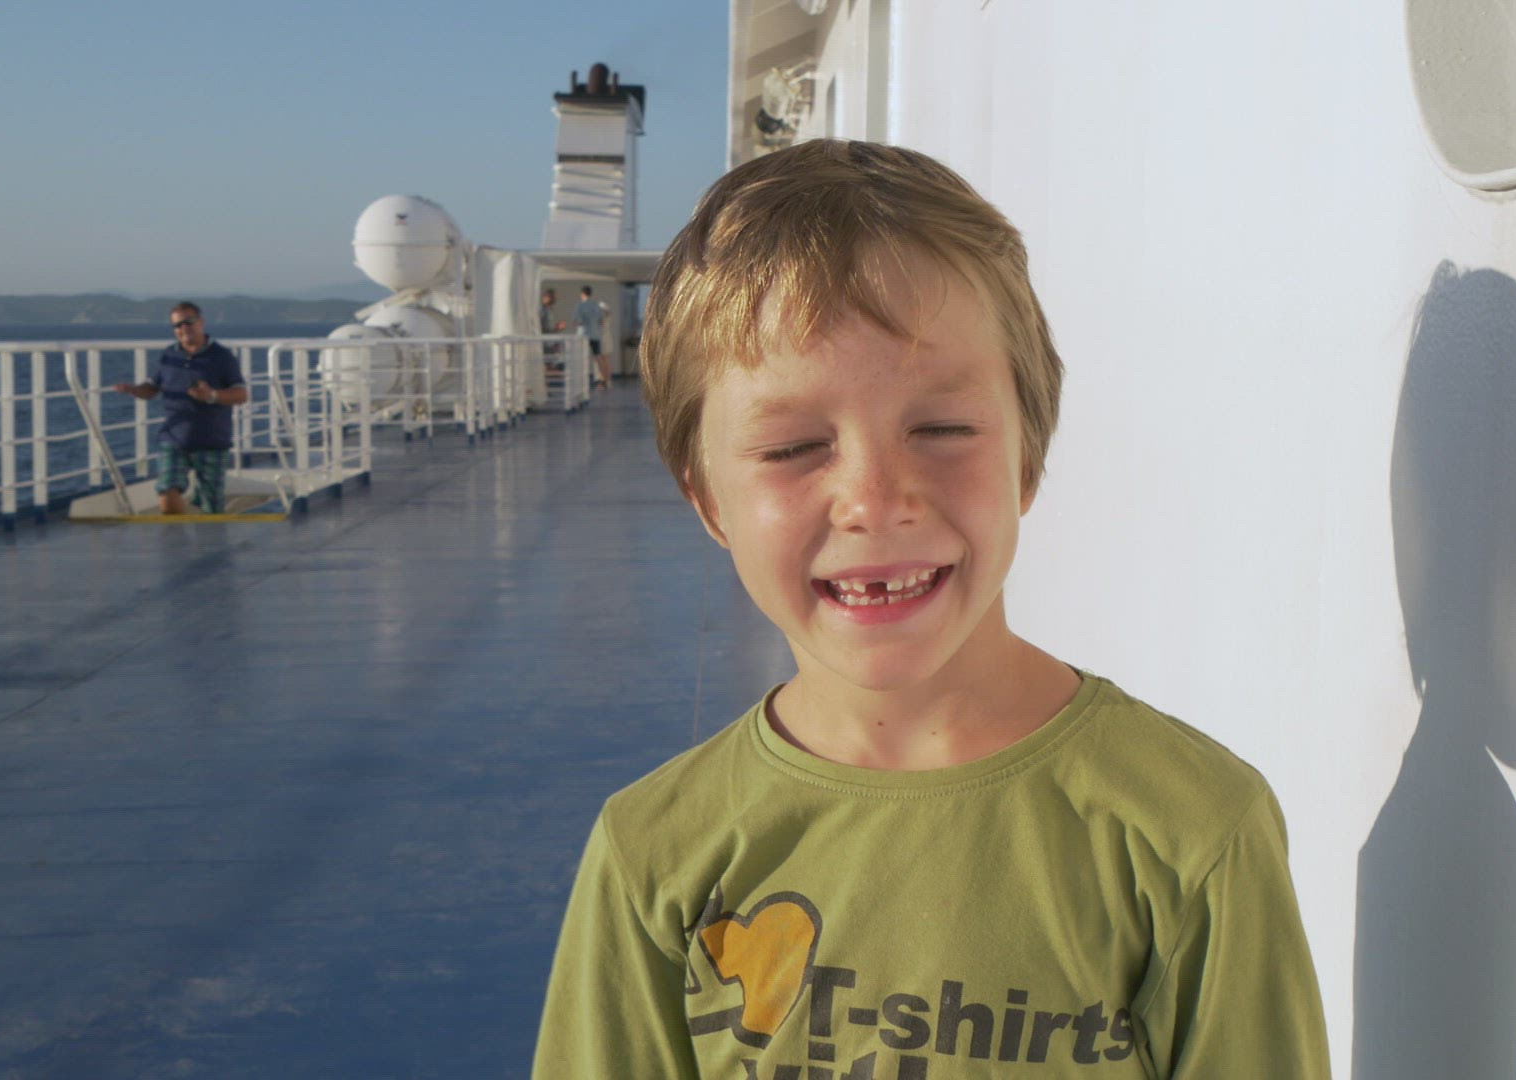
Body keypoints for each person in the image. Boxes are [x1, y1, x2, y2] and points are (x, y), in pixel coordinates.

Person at [531, 140, 1330, 1078]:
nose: (875, 499)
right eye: (792, 448)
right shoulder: (655, 855)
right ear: (708, 500)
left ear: (1027, 458)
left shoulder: (1189, 831)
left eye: (943, 429)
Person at [110, 302, 248, 514]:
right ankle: (176, 535)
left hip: (212, 441)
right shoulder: (169, 355)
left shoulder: (222, 357)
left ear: (201, 322)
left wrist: (212, 395)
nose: (183, 328)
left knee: (211, 510)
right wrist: (134, 390)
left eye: (188, 322)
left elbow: (241, 395)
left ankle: (204, 535)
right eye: (177, 325)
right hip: (174, 439)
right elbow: (152, 388)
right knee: (167, 491)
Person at [576, 285, 609, 390]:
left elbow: (578, 321)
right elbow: (602, 321)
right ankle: (603, 381)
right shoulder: (596, 306)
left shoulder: (580, 306)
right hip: (595, 335)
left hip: (584, 336)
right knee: (598, 357)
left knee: (582, 358)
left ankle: (581, 382)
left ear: (582, 294)